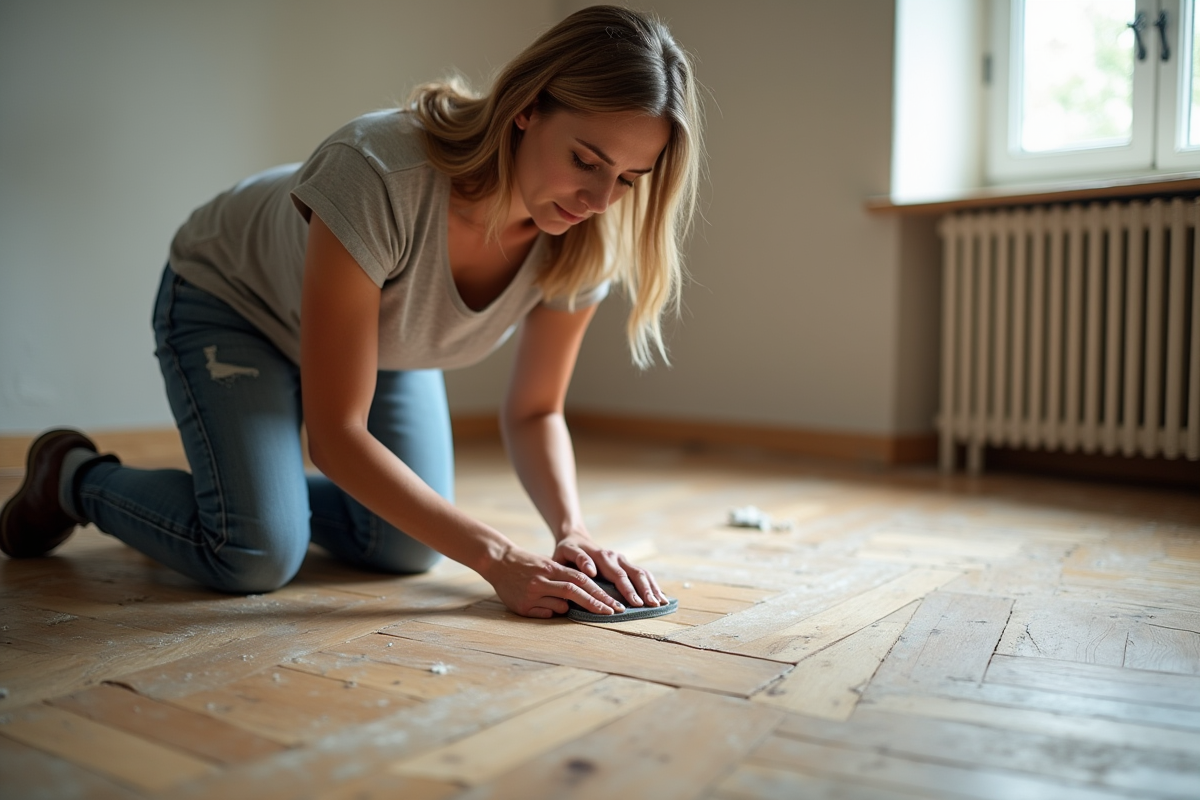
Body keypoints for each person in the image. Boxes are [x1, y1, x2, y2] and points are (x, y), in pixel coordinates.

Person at [0, 5, 701, 620]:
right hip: (234, 302)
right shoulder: (376, 172)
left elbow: (535, 412)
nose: (600, 200)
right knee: (252, 553)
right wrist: (495, 556)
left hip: (385, 342)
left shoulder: (589, 238)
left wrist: (572, 532)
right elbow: (337, 438)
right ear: (528, 106)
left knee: (403, 547)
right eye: (586, 160)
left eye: (628, 179)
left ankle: (258, 496)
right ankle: (71, 476)